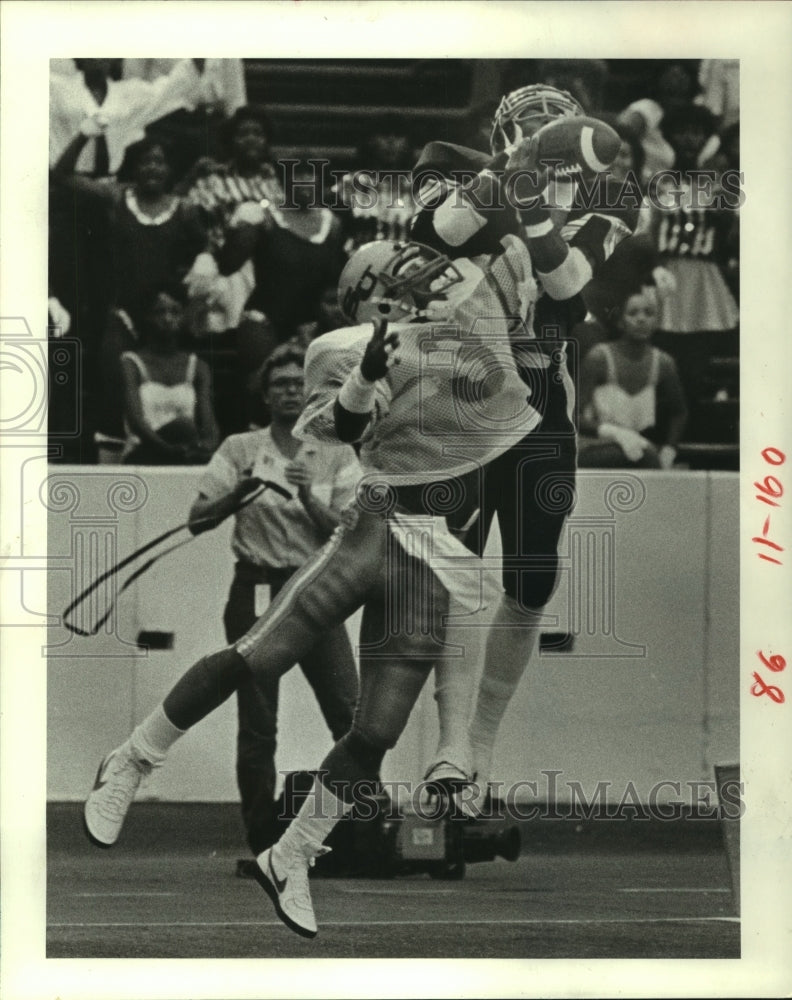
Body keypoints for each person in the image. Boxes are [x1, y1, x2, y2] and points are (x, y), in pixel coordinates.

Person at [83, 235, 541, 938]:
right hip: (377, 527)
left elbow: (501, 271)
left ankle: (291, 854)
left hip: (439, 555)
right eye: (405, 281)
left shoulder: (468, 328)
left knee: (376, 730)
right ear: (373, 295)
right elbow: (338, 429)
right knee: (258, 657)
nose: (428, 285)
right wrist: (366, 375)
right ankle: (134, 758)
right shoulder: (340, 346)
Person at [409, 83, 637, 805]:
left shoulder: (613, 193)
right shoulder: (453, 163)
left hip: (542, 401)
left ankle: (481, 742)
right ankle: (450, 750)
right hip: (469, 391)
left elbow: (569, 288)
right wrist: (506, 176)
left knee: (532, 578)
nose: (546, 129)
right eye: (530, 120)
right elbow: (430, 235)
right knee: (457, 574)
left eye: (556, 120)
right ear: (502, 127)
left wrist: (532, 200)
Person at [187, 344, 361, 864]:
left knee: (350, 713)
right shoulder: (241, 447)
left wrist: (309, 498)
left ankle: (353, 833)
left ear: (311, 393)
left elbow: (351, 533)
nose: (289, 391)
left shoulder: (338, 452)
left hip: (315, 590)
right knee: (259, 722)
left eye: (296, 384)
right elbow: (198, 519)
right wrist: (237, 493)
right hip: (257, 587)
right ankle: (263, 839)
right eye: (279, 384)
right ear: (264, 395)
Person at [50, 131, 210, 443]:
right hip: (122, 312)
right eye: (144, 161)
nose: (152, 167)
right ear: (133, 167)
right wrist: (83, 135)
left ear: (169, 169)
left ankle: (170, 449)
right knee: (112, 379)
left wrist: (206, 256)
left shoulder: (185, 210)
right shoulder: (116, 197)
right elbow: (62, 175)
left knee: (169, 393)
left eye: (159, 162)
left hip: (166, 316)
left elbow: (207, 243)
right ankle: (111, 454)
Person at [577, 282, 687, 469]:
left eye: (648, 313)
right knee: (647, 457)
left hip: (634, 449)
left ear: (656, 321)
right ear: (620, 321)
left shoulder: (663, 363)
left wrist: (670, 449)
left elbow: (679, 412)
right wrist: (614, 433)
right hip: (590, 446)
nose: (641, 319)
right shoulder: (599, 358)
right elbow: (573, 415)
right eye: (633, 313)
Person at [50, 58, 208, 177]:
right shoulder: (58, 88)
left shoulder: (128, 93)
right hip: (66, 179)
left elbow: (170, 89)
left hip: (107, 184)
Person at [120, 286, 219, 465]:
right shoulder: (131, 362)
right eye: (160, 312)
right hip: (144, 450)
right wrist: (169, 450)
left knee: (188, 432)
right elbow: (136, 421)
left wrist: (206, 447)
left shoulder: (197, 366)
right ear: (147, 317)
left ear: (183, 317)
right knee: (183, 426)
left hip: (185, 451)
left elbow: (208, 423)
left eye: (175, 312)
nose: (167, 319)